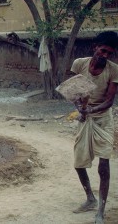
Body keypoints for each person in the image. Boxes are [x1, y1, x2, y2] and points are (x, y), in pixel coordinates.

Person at [70, 31, 118, 224]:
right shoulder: (79, 64)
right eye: (103, 51)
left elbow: (109, 101)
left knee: (103, 167)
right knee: (79, 162)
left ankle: (101, 211)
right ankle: (90, 198)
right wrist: (80, 110)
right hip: (85, 117)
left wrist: (90, 110)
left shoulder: (114, 70)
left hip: (103, 120)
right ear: (95, 47)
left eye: (110, 53)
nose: (105, 56)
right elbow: (73, 92)